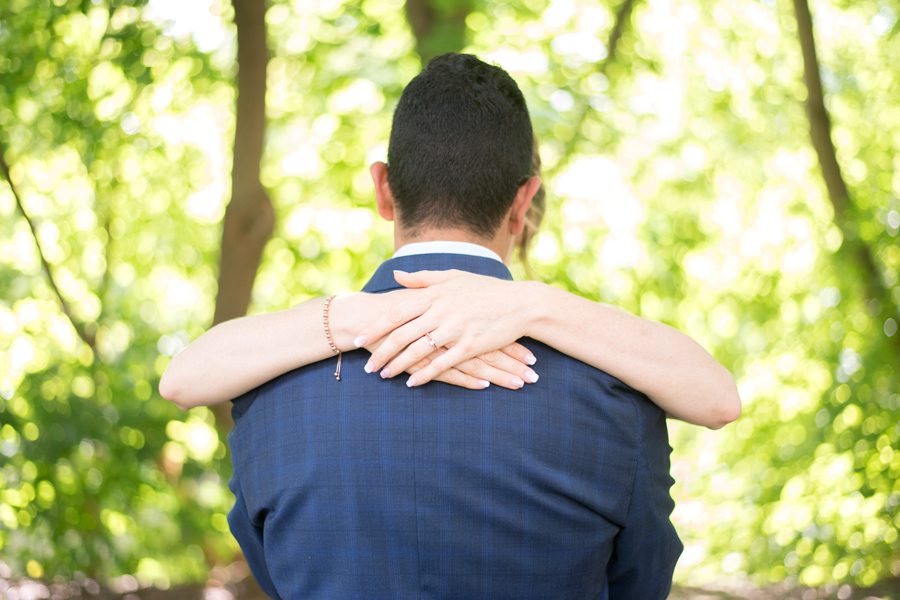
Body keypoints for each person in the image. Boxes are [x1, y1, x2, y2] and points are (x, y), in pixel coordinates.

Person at [161, 53, 740, 598]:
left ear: (384, 190)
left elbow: (273, 572)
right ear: (524, 203)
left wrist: (527, 307)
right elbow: (641, 581)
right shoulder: (613, 400)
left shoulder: (271, 398)